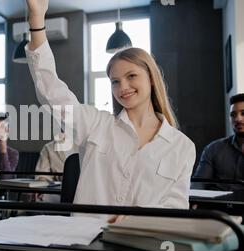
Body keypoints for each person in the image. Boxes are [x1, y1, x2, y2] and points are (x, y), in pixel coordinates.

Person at [25, 0, 196, 220]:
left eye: (131, 76)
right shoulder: (96, 124)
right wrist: (37, 18)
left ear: (152, 79)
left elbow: (175, 209)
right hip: (86, 240)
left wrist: (133, 221)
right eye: (115, 81)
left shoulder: (182, 146)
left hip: (142, 242)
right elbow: (50, 89)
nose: (122, 87)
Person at [194, 93, 244, 184]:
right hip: (217, 198)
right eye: (233, 115)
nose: (238, 119)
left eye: (243, 113)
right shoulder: (213, 149)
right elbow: (198, 185)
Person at [34, 131, 77, 203]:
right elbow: (42, 175)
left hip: (80, 191)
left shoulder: (84, 146)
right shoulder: (49, 148)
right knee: (41, 200)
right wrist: (41, 189)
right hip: (58, 192)